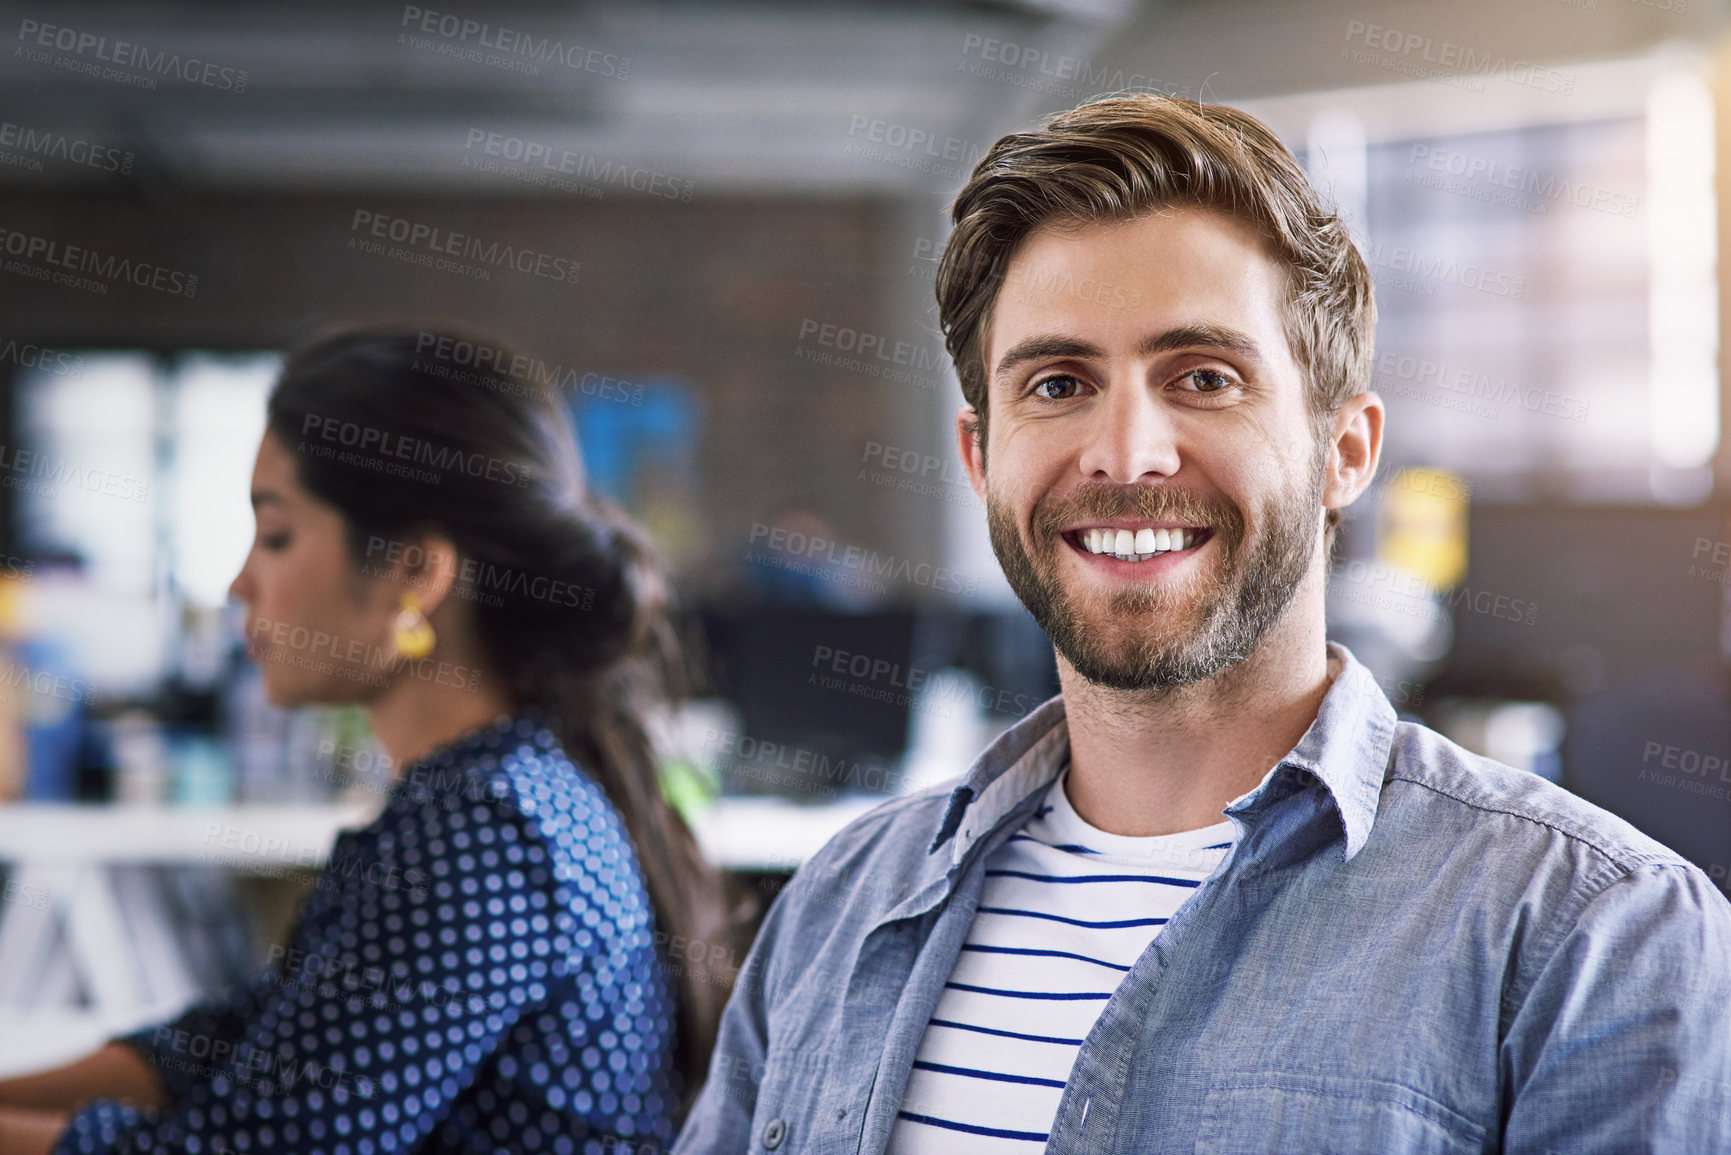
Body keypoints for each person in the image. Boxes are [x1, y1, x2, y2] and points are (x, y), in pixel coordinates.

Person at [673, 94, 1731, 1154]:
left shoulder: (1599, 938)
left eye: (1205, 378)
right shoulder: (839, 907)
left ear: (1347, 451)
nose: (1125, 453)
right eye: (1057, 382)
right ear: (981, 457)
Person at [0, 325, 736, 1154]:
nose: (239, 583)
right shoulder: (474, 799)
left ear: (416, 572)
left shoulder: (492, 834)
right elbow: (227, 1050)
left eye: (276, 536)